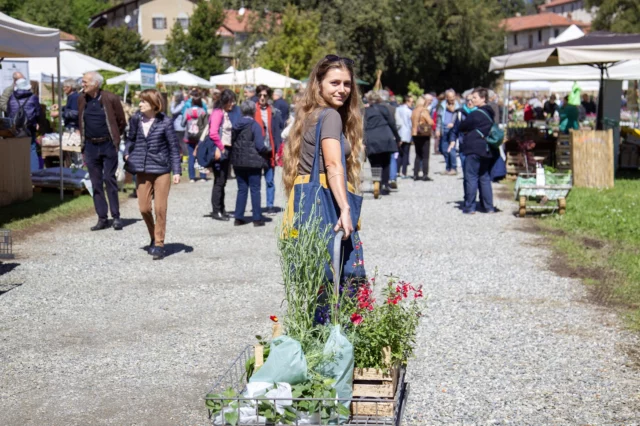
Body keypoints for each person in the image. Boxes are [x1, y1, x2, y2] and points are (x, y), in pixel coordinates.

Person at [282, 54, 364, 242]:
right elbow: (333, 164)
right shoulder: (330, 116)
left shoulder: (312, 114)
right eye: (334, 83)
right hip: (325, 201)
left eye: (347, 84)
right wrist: (345, 208)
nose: (342, 90)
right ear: (319, 84)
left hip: (307, 200)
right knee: (335, 265)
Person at [124, 89, 181, 260]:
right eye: (140, 101)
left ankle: (159, 244)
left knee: (160, 208)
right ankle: (153, 235)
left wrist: (177, 171)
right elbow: (130, 139)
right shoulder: (135, 119)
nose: (140, 104)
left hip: (162, 169)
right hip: (142, 168)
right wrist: (127, 152)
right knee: (144, 208)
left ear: (154, 105)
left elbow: (173, 147)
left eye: (143, 101)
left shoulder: (165, 122)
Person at [78, 71, 127, 231]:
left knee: (109, 179)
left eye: (85, 82)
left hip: (108, 144)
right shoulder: (81, 99)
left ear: (96, 84)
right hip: (90, 146)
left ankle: (116, 217)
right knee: (95, 183)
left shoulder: (110, 98)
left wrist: (114, 138)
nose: (82, 84)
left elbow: (121, 121)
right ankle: (102, 218)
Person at [231, 100, 269, 226]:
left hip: (238, 161)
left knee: (241, 189)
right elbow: (259, 145)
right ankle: (257, 218)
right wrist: (267, 150)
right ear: (254, 111)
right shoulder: (255, 125)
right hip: (253, 162)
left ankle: (239, 217)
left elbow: (232, 141)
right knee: (255, 189)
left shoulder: (236, 124)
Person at [459, 87, 496, 215]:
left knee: (471, 177)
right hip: (486, 148)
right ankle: (489, 207)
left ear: (483, 98)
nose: (472, 100)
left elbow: (462, 126)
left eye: (475, 97)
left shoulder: (476, 114)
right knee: (484, 177)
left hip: (474, 148)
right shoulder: (491, 113)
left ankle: (470, 207)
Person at [208, 89, 240, 221]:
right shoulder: (218, 113)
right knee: (219, 181)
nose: (233, 104)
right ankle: (216, 210)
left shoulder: (225, 113)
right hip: (220, 149)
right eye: (231, 101)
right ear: (225, 101)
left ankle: (222, 208)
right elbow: (213, 133)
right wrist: (220, 148)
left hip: (226, 149)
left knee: (223, 181)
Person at [363, 90, 400, 195]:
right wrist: (397, 138)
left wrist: (362, 140)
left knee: (375, 162)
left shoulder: (365, 111)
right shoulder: (384, 109)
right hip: (385, 136)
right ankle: (385, 184)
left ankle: (377, 183)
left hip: (372, 138)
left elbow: (362, 126)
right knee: (386, 162)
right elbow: (392, 123)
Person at [254, 84, 284, 214]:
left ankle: (270, 205)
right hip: (255, 151)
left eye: (264, 95)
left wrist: (278, 151)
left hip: (270, 151)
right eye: (260, 95)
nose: (262, 98)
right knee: (255, 182)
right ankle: (257, 207)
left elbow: (278, 132)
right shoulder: (252, 111)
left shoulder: (274, 112)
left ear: (268, 97)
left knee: (270, 180)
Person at [6, 78, 40, 170]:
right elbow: (37, 113)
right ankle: (34, 175)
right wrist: (37, 122)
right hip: (29, 127)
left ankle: (18, 171)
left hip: (15, 128)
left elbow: (8, 112)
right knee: (31, 149)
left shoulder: (11, 97)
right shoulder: (33, 97)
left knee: (16, 150)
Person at [448, 93, 476, 198]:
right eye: (468, 100)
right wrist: (452, 141)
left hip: (476, 148)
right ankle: (468, 198)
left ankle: (477, 199)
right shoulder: (460, 113)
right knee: (466, 175)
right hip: (464, 147)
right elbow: (455, 130)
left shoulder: (479, 113)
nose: (469, 102)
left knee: (475, 176)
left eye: (472, 100)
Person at [182, 90, 208, 182]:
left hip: (189, 137)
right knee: (201, 155)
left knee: (191, 157)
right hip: (200, 137)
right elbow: (206, 124)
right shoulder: (202, 111)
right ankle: (202, 176)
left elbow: (182, 123)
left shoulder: (187, 111)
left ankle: (192, 177)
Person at [435, 89, 460, 175]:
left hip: (453, 130)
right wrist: (437, 129)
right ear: (446, 97)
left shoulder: (458, 107)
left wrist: (453, 123)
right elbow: (438, 118)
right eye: (450, 97)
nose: (452, 99)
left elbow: (458, 118)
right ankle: (448, 167)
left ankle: (453, 168)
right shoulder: (442, 105)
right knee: (443, 149)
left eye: (453, 96)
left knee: (451, 149)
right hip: (444, 128)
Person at [411, 95, 434, 181]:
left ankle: (415, 174)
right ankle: (425, 174)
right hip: (423, 134)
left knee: (418, 155)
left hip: (414, 134)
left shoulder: (414, 110)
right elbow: (430, 122)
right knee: (425, 155)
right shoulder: (424, 111)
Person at [394, 95, 414, 178]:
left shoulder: (397, 109)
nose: (412, 104)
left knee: (399, 153)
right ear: (407, 101)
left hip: (399, 133)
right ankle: (404, 172)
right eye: (411, 102)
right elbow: (410, 124)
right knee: (406, 154)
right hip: (407, 133)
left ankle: (397, 171)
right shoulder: (409, 111)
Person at [170, 91, 188, 156]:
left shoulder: (182, 104)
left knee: (182, 143)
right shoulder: (179, 103)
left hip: (180, 127)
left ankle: (186, 157)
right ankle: (179, 156)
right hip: (176, 126)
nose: (173, 97)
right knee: (177, 143)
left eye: (174, 96)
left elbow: (173, 111)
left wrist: (172, 102)